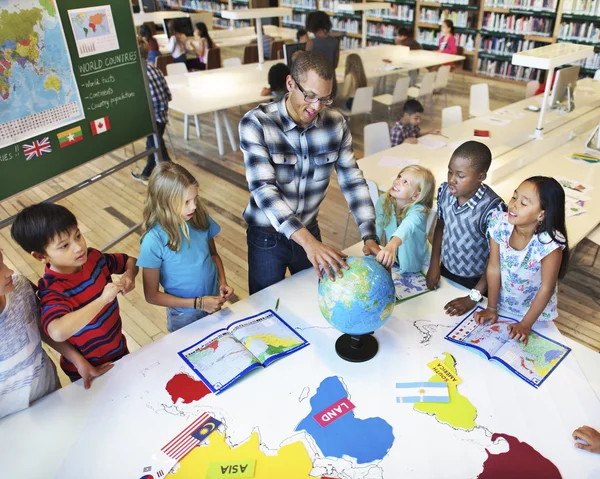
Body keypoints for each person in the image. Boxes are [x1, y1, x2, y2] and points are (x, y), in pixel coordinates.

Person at [239, 51, 380, 294]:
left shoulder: (336, 124)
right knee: (266, 308)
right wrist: (309, 243)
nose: (316, 107)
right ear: (290, 83)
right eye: (310, 96)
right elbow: (264, 191)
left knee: (313, 300)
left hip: (310, 229)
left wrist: (369, 235)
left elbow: (353, 181)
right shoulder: (256, 123)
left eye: (325, 99)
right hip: (267, 238)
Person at [11, 203, 138, 382]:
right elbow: (57, 332)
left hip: (119, 350)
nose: (78, 247)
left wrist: (129, 276)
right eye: (64, 246)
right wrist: (103, 300)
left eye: (78, 236)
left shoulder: (94, 258)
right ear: (41, 256)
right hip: (86, 371)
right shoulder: (52, 289)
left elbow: (130, 261)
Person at [0, 251, 109, 419]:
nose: (9, 272)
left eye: (3, 262)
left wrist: (77, 360)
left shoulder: (20, 287)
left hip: (49, 392)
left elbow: (43, 328)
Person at [137, 163, 234, 333]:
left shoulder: (199, 217)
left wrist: (223, 281)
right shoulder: (153, 241)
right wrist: (198, 303)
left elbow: (213, 255)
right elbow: (151, 295)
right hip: (183, 316)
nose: (194, 206)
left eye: (195, 198)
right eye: (186, 202)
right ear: (165, 203)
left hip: (213, 302)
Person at [474, 177, 569, 344]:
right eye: (514, 197)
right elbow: (494, 268)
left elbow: (546, 288)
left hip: (535, 315)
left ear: (541, 214)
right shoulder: (500, 224)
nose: (514, 205)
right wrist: (491, 307)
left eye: (524, 203)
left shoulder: (549, 244)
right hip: (503, 305)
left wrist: (526, 323)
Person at [426, 141, 506, 316]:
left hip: (477, 282)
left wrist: (473, 297)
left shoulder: (493, 209)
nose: (452, 179)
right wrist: (434, 265)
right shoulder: (444, 191)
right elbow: (440, 225)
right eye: (450, 171)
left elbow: (497, 258)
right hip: (446, 271)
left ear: (481, 177)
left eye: (460, 175)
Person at [374, 165, 436, 272]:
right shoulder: (384, 200)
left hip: (421, 266)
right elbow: (376, 228)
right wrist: (373, 245)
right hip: (397, 261)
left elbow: (407, 228)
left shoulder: (419, 212)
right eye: (399, 177)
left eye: (405, 182)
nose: (396, 182)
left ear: (416, 195)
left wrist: (391, 246)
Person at [132, 40, 172, 185]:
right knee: (153, 145)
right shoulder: (156, 70)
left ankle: (171, 173)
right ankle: (147, 173)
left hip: (150, 119)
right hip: (162, 116)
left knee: (158, 148)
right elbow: (169, 95)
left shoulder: (138, 76)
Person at [305, 11, 339, 96]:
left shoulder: (311, 43)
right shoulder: (334, 41)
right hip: (331, 82)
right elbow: (335, 65)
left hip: (316, 85)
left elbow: (306, 67)